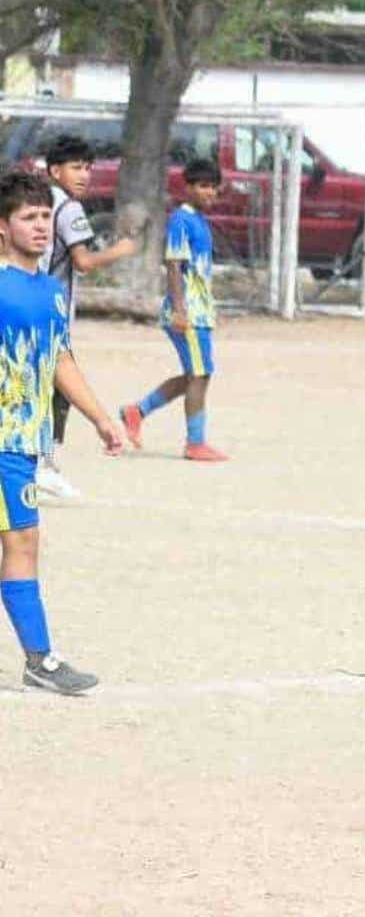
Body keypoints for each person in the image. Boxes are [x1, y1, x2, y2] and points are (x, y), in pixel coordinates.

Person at [0, 171, 123, 694]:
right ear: (2, 227)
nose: (41, 227)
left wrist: (101, 417)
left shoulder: (50, 291)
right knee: (22, 540)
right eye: (28, 218)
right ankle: (41, 659)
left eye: (45, 217)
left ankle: (39, 660)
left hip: (24, 443)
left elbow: (60, 361)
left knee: (23, 541)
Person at [36, 134, 137, 498]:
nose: (84, 175)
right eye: (76, 167)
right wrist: (120, 250)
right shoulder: (69, 209)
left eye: (88, 168)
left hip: (22, 304)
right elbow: (83, 262)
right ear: (55, 170)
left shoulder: (35, 202)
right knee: (58, 388)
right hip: (49, 311)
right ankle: (44, 463)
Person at [118, 159, 228, 462]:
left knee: (197, 373)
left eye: (212, 187)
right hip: (187, 312)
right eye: (202, 186)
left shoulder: (200, 221)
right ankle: (195, 442)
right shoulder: (181, 219)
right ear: (188, 188)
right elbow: (174, 264)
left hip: (200, 311)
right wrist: (180, 309)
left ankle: (136, 411)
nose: (208, 192)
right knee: (200, 374)